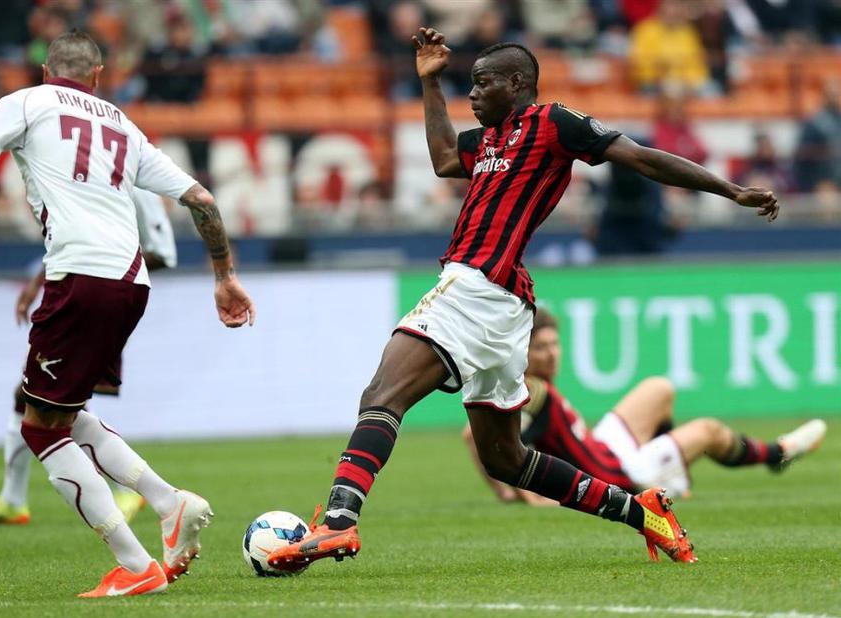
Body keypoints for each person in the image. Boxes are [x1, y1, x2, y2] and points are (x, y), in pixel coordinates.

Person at [266, 27, 779, 572]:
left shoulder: (555, 123)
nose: (473, 93)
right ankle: (643, 512)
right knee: (506, 460)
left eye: (482, 83)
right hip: (504, 304)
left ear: (517, 83)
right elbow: (444, 157)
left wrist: (731, 190)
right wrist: (430, 83)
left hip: (476, 287)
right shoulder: (487, 140)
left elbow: (642, 158)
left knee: (382, 394)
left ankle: (339, 522)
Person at [0, 31, 256, 598]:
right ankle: (169, 502)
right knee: (60, 414)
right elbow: (203, 201)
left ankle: (135, 565)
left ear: (46, 71)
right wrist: (224, 276)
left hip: (79, 280)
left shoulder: (25, 103)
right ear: (97, 75)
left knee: (39, 430)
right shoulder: (122, 124)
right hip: (131, 285)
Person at [0, 188, 177, 527]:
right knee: (39, 397)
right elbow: (75, 244)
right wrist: (38, 283)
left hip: (103, 302)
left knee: (55, 401)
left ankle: (128, 491)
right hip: (81, 297)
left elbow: (163, 253)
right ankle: (14, 499)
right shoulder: (96, 177)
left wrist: (107, 270)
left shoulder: (135, 183)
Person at [462, 309, 827, 504]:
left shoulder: (539, 388)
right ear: (523, 353)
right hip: (614, 475)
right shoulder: (530, 390)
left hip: (603, 448)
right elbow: (479, 438)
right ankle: (776, 453)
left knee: (659, 388)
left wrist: (505, 493)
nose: (552, 354)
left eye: (555, 344)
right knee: (708, 431)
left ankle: (670, 475)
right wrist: (523, 495)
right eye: (541, 348)